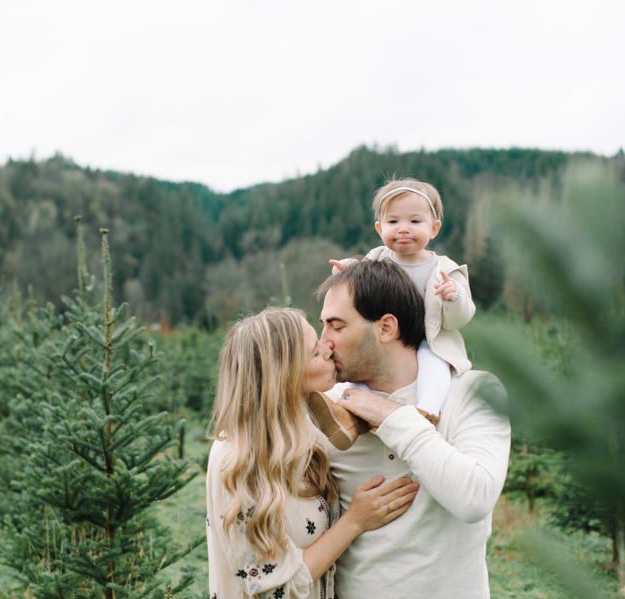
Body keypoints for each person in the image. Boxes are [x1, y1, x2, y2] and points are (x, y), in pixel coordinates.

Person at [318, 260, 510, 599]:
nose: (324, 343)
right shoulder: (328, 407)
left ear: (386, 328)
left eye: (336, 326)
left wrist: (392, 417)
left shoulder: (476, 393)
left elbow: (475, 499)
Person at [206, 307, 420, 599]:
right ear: (284, 373)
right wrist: (355, 521)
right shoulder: (235, 461)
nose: (328, 348)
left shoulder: (305, 429)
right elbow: (277, 588)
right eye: (314, 352)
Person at [330, 179, 475, 419]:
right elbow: (359, 278)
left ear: (434, 228)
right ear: (379, 229)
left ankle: (428, 412)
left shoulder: (445, 269)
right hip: (385, 339)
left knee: (435, 367)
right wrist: (346, 270)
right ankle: (347, 413)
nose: (403, 228)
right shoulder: (377, 258)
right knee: (361, 370)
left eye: (415, 221)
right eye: (393, 221)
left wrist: (453, 296)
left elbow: (462, 317)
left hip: (427, 340)